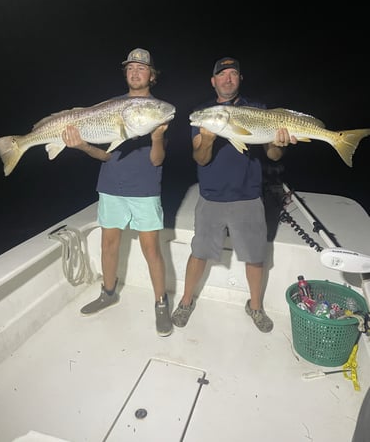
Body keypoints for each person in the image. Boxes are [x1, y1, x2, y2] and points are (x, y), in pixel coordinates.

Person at [171, 56, 297, 332]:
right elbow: (200, 158)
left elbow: (273, 155)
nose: (228, 78)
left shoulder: (258, 109)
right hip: (212, 197)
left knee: (255, 257)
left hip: (249, 196)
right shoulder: (203, 112)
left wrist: (279, 143)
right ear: (213, 81)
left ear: (239, 79)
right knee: (199, 252)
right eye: (223, 74)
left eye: (234, 74)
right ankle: (185, 301)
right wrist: (206, 138)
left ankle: (256, 307)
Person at [62, 48, 173, 337]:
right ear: (126, 73)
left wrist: (158, 136)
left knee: (152, 249)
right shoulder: (112, 106)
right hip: (111, 185)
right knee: (108, 245)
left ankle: (161, 303)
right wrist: (83, 145)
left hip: (145, 188)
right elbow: (106, 156)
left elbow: (157, 159)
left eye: (142, 68)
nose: (136, 73)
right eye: (131, 68)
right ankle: (108, 293)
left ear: (151, 75)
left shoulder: (156, 109)